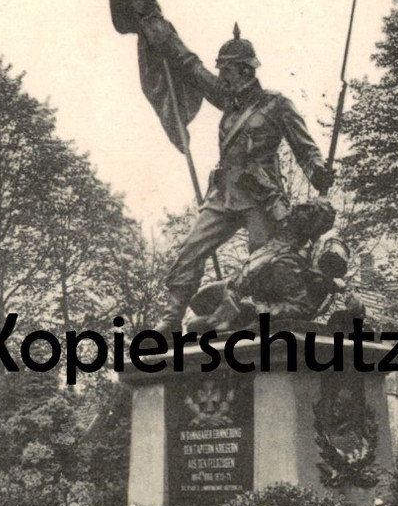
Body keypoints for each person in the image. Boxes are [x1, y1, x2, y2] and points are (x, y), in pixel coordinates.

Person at [138, 16, 336, 331]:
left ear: (244, 70)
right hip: (223, 193)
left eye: (226, 70)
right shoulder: (226, 100)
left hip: (261, 194)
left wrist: (317, 171)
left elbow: (305, 148)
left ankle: (262, 316)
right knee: (191, 248)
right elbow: (190, 66)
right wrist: (158, 30)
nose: (221, 76)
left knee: (262, 261)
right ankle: (171, 318)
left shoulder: (276, 104)